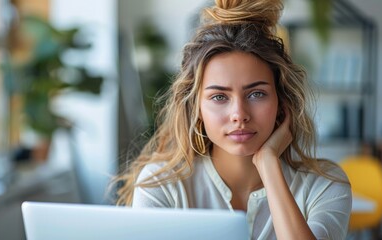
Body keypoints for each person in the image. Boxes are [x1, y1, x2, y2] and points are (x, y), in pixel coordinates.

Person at [111, 0, 352, 239]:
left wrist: (269, 164)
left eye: (256, 94)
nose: (239, 114)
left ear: (281, 103)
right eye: (219, 97)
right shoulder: (162, 185)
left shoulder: (324, 185)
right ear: (196, 108)